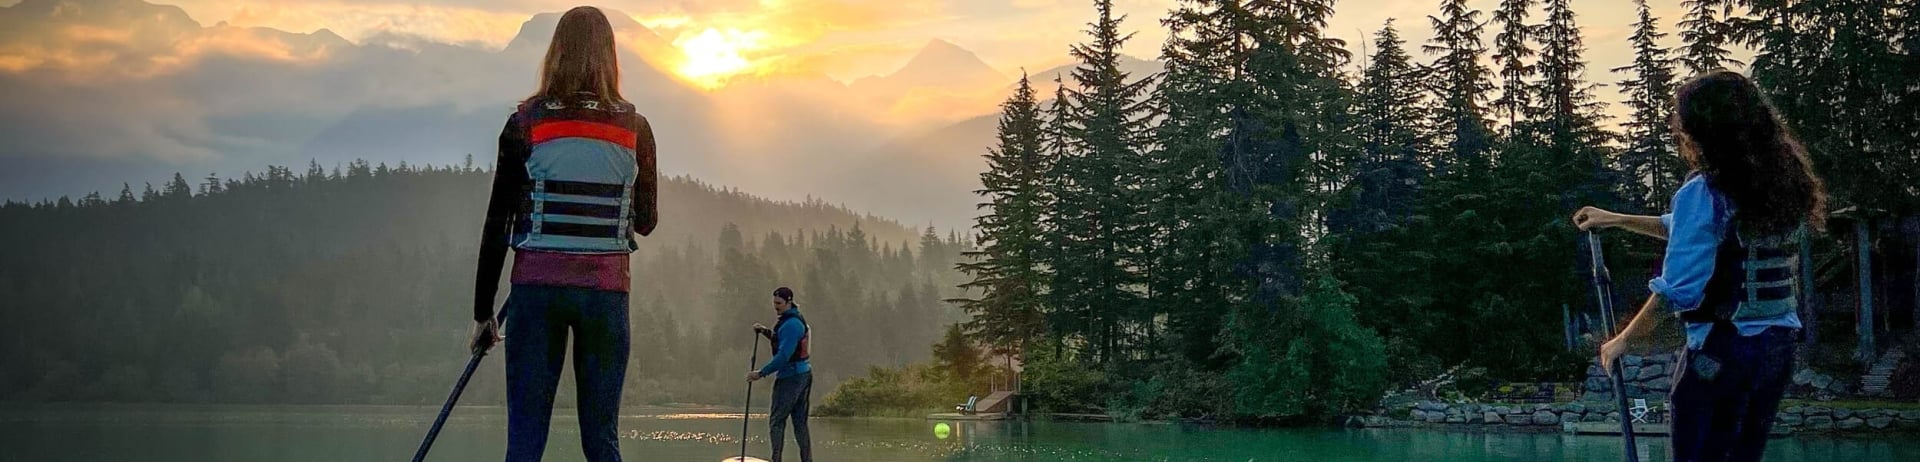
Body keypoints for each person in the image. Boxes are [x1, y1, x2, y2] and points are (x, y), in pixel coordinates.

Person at [1575, 70, 1825, 462]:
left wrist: (1624, 340)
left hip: (1720, 353)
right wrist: (1618, 219)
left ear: (1702, 132)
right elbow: (1693, 232)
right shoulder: (1778, 185)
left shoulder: (1705, 191)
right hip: (1776, 350)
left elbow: (1676, 290)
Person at [470, 6, 659, 461]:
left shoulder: (524, 124)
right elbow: (646, 222)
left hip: (536, 291)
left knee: (525, 440)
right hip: (605, 295)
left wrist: (483, 314)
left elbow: (497, 225)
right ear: (610, 56)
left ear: (555, 53)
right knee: (601, 439)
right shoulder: (636, 128)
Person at [749, 287, 813, 462]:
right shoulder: (792, 320)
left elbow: (784, 355)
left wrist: (761, 373)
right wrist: (764, 331)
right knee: (800, 423)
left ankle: (776, 459)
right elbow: (781, 340)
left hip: (790, 378)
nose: (775, 306)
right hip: (804, 374)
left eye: (779, 303)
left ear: (789, 301)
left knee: (777, 421)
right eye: (774, 303)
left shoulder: (791, 325)